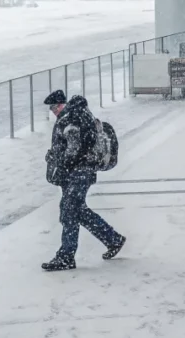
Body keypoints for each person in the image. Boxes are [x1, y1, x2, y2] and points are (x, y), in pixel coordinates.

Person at [41, 90, 124, 271]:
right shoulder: (76, 116)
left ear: (61, 104)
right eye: (51, 108)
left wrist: (60, 162)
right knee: (77, 210)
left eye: (54, 107)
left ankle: (66, 256)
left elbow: (73, 149)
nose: (53, 111)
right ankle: (113, 239)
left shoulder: (70, 120)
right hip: (79, 172)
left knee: (70, 211)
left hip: (78, 173)